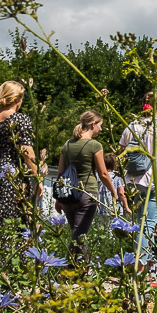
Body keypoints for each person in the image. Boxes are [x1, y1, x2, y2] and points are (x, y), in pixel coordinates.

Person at [0, 80, 39, 246]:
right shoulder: (19, 119)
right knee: (13, 219)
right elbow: (26, 151)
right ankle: (13, 261)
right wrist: (37, 176)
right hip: (12, 174)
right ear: (17, 99)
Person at [119, 92, 157, 270]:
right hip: (154, 179)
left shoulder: (132, 125)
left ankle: (139, 263)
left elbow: (120, 152)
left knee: (138, 221)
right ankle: (140, 266)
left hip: (133, 180)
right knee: (148, 224)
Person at [56, 110, 122, 261]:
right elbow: (103, 174)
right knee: (79, 236)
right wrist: (113, 191)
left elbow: (60, 173)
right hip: (88, 194)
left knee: (77, 234)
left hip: (68, 195)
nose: (102, 129)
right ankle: (67, 267)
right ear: (93, 124)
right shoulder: (95, 145)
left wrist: (58, 198)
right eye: (100, 125)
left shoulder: (67, 145)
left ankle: (82, 271)